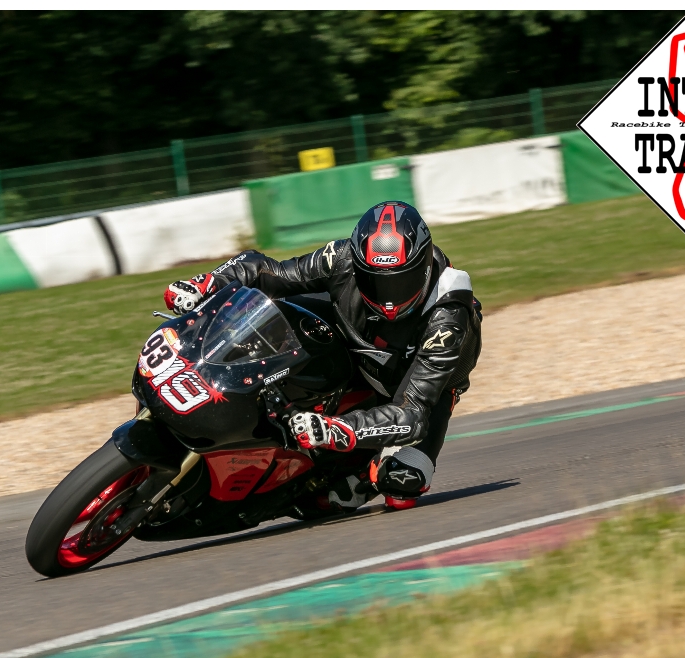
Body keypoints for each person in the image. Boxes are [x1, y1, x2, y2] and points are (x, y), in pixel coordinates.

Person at [163, 201, 480, 511]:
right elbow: (267, 270)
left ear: (424, 267)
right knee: (273, 312)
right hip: (354, 341)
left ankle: (360, 471)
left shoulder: (448, 316)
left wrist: (336, 430)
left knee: (401, 482)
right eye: (376, 280)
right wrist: (206, 283)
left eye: (400, 281)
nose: (388, 299)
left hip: (413, 387)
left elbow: (412, 414)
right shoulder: (341, 257)